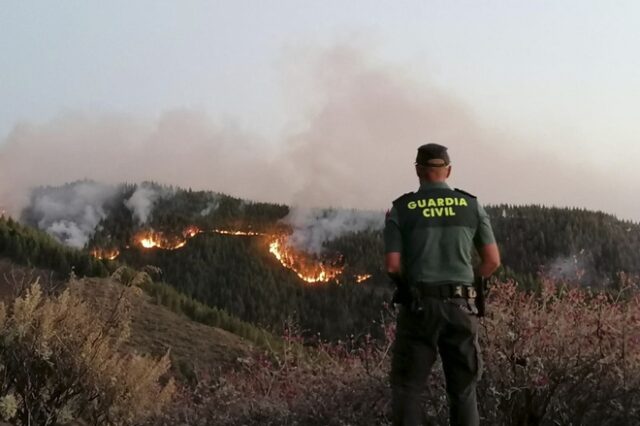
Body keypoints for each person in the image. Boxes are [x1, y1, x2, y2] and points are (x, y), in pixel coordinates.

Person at [384, 143, 500, 426]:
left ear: (418, 171)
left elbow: (392, 265)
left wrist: (406, 286)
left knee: (408, 389)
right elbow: (492, 261)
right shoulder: (471, 205)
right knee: (463, 391)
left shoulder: (402, 208)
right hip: (461, 307)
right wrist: (467, 284)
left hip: (419, 307)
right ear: (448, 170)